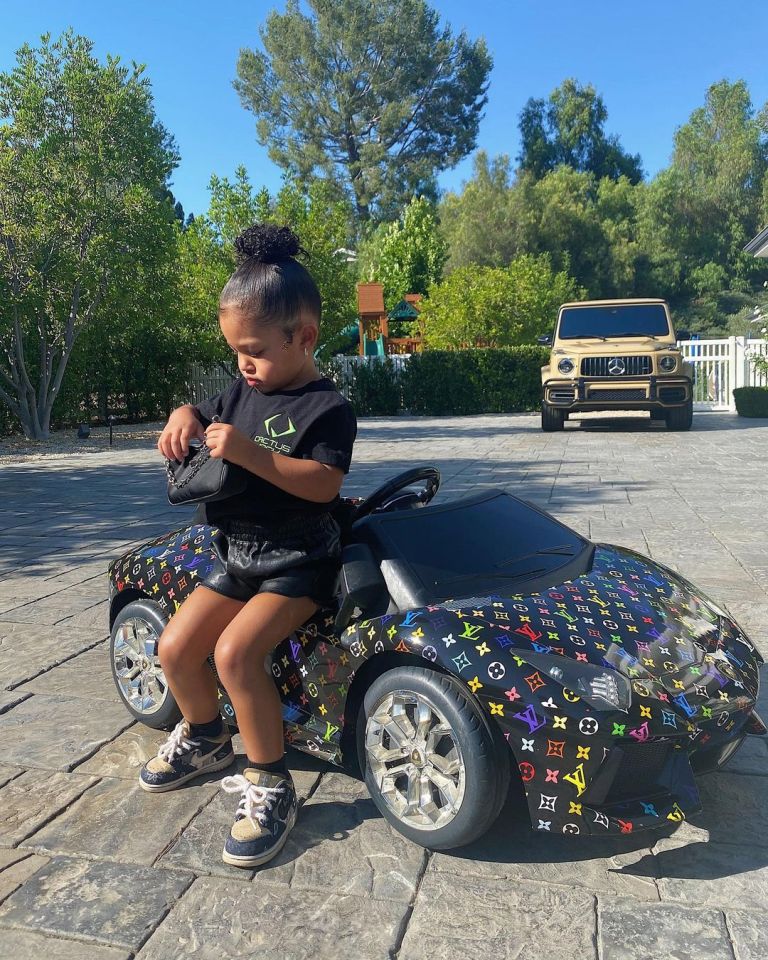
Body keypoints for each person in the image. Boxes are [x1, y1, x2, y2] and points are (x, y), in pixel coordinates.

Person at [138, 223, 357, 868]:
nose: (244, 365)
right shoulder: (242, 388)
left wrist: (250, 454)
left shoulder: (327, 407)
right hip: (239, 553)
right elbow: (203, 411)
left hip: (299, 560)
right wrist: (183, 416)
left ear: (304, 337)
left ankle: (269, 780)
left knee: (235, 654)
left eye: (254, 350)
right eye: (235, 351)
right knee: (174, 646)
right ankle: (206, 736)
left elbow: (322, 486)